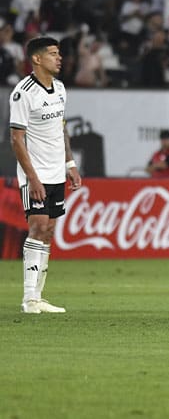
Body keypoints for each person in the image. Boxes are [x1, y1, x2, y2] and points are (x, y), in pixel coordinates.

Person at [9, 36, 82, 313]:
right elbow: (16, 139)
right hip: (35, 174)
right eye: (53, 54)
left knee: (49, 231)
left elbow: (61, 130)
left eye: (59, 53)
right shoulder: (23, 93)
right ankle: (29, 298)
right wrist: (33, 178)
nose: (59, 58)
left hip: (56, 172)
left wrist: (70, 164)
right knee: (38, 226)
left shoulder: (61, 89)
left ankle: (38, 296)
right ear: (37, 59)